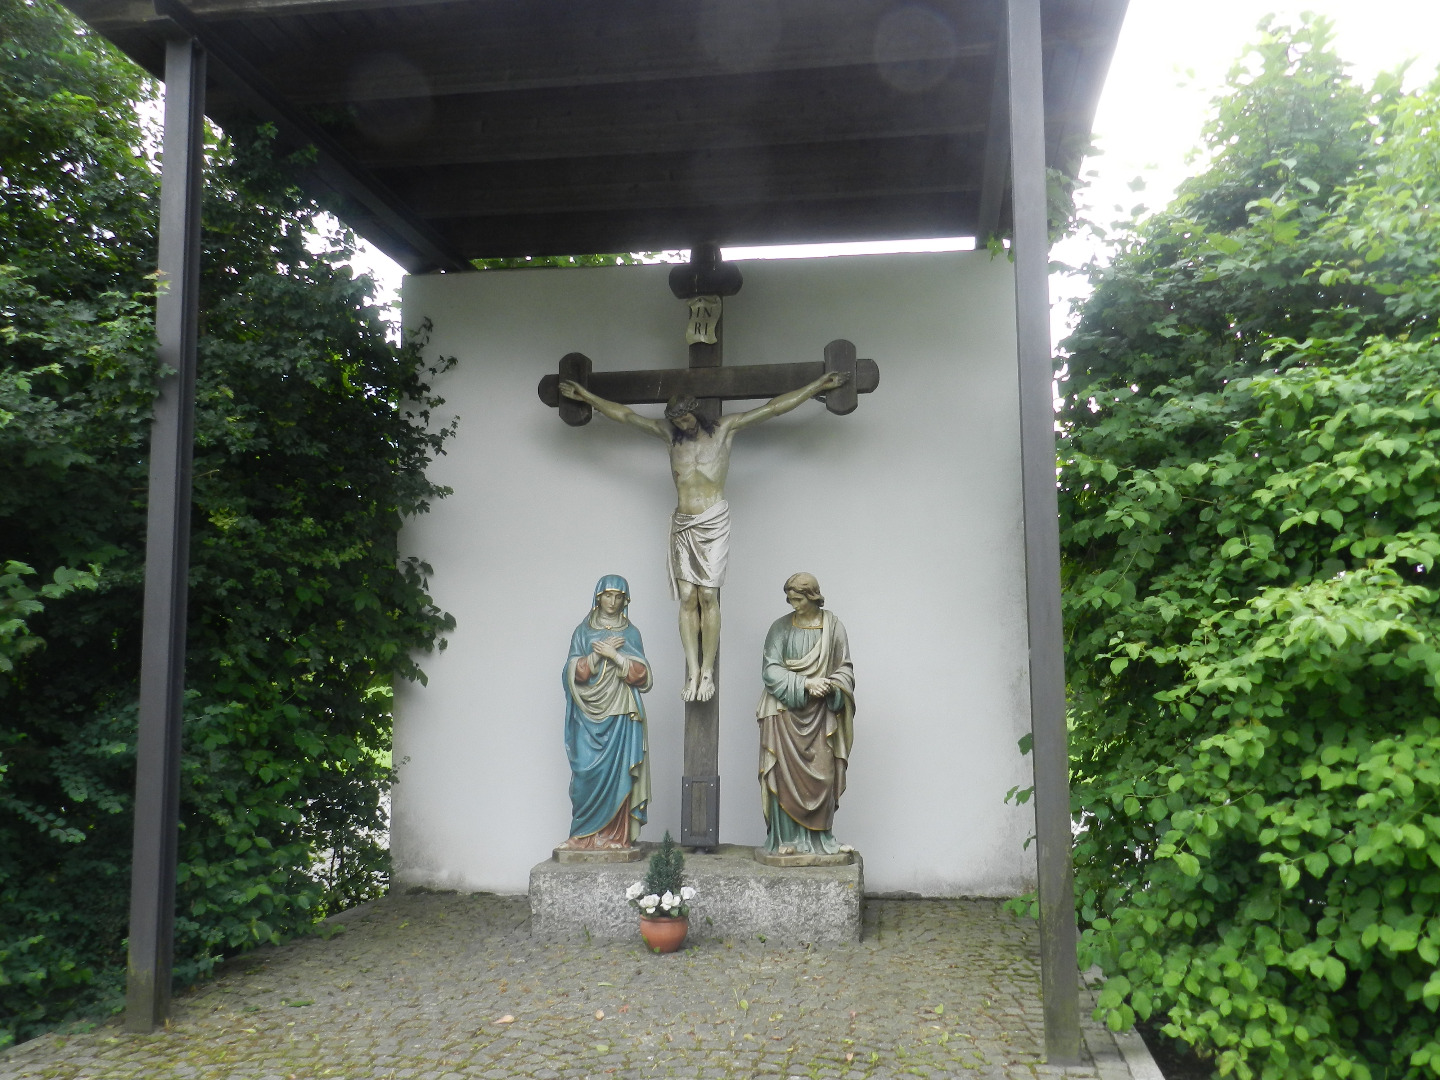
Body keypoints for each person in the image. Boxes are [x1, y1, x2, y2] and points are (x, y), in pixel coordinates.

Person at [558, 372, 847, 702]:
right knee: (686, 597)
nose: (683, 425)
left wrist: (816, 387)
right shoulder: (670, 436)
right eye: (677, 421)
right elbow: (626, 415)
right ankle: (693, 670)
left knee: (708, 595)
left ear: (695, 411)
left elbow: (773, 408)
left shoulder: (724, 430)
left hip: (713, 521)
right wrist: (586, 396)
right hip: (684, 523)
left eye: (685, 418)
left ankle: (707, 670)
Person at [756, 572, 855, 856]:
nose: (793, 604)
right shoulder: (780, 628)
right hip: (783, 713)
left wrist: (832, 686)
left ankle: (822, 840)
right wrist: (805, 684)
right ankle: (785, 840)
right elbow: (770, 669)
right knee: (783, 775)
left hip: (821, 714)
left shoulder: (833, 628)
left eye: (798, 599)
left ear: (813, 596)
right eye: (790, 599)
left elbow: (845, 669)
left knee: (823, 776)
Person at [560, 575, 652, 850]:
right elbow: (572, 673)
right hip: (588, 715)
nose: (613, 602)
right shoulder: (582, 632)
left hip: (621, 713)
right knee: (585, 775)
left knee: (620, 774)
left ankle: (614, 837)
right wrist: (597, 655)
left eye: (618, 597)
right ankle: (581, 835)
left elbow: (643, 676)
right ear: (598, 598)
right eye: (608, 595)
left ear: (625, 600)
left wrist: (616, 657)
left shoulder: (631, 633)